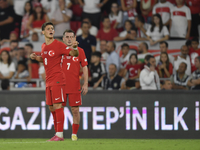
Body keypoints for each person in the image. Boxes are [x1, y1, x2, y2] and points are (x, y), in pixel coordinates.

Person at [30, 22, 79, 141]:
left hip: (58, 79)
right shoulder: (43, 46)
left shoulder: (59, 44)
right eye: (48, 29)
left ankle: (59, 134)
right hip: (48, 80)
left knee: (57, 105)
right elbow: (46, 59)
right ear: (43, 32)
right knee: (51, 107)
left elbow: (74, 54)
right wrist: (37, 58)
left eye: (52, 28)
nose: (51, 30)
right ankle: (57, 133)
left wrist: (75, 47)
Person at [62, 29, 88, 141]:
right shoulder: (59, 51)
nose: (69, 39)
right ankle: (58, 133)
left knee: (75, 110)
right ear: (63, 38)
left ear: (75, 38)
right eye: (67, 37)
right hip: (60, 85)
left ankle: (74, 134)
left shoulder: (80, 51)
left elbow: (85, 67)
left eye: (71, 37)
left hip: (74, 85)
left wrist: (85, 83)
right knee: (57, 109)